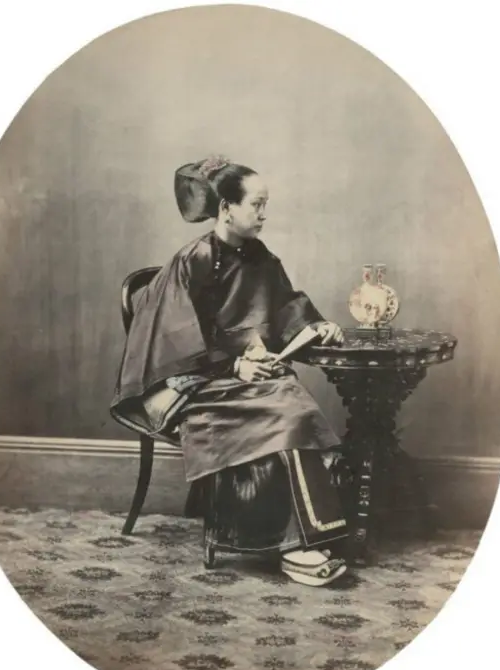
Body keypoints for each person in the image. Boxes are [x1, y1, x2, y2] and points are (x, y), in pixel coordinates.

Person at [110, 155, 350, 586]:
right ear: (226, 208)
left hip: (244, 377)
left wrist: (316, 326)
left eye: (265, 205)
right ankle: (293, 547)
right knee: (284, 410)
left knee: (289, 398)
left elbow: (287, 306)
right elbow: (175, 339)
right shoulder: (193, 259)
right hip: (195, 382)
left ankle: (303, 537)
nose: (263, 214)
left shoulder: (260, 257)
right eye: (256, 204)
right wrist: (235, 364)